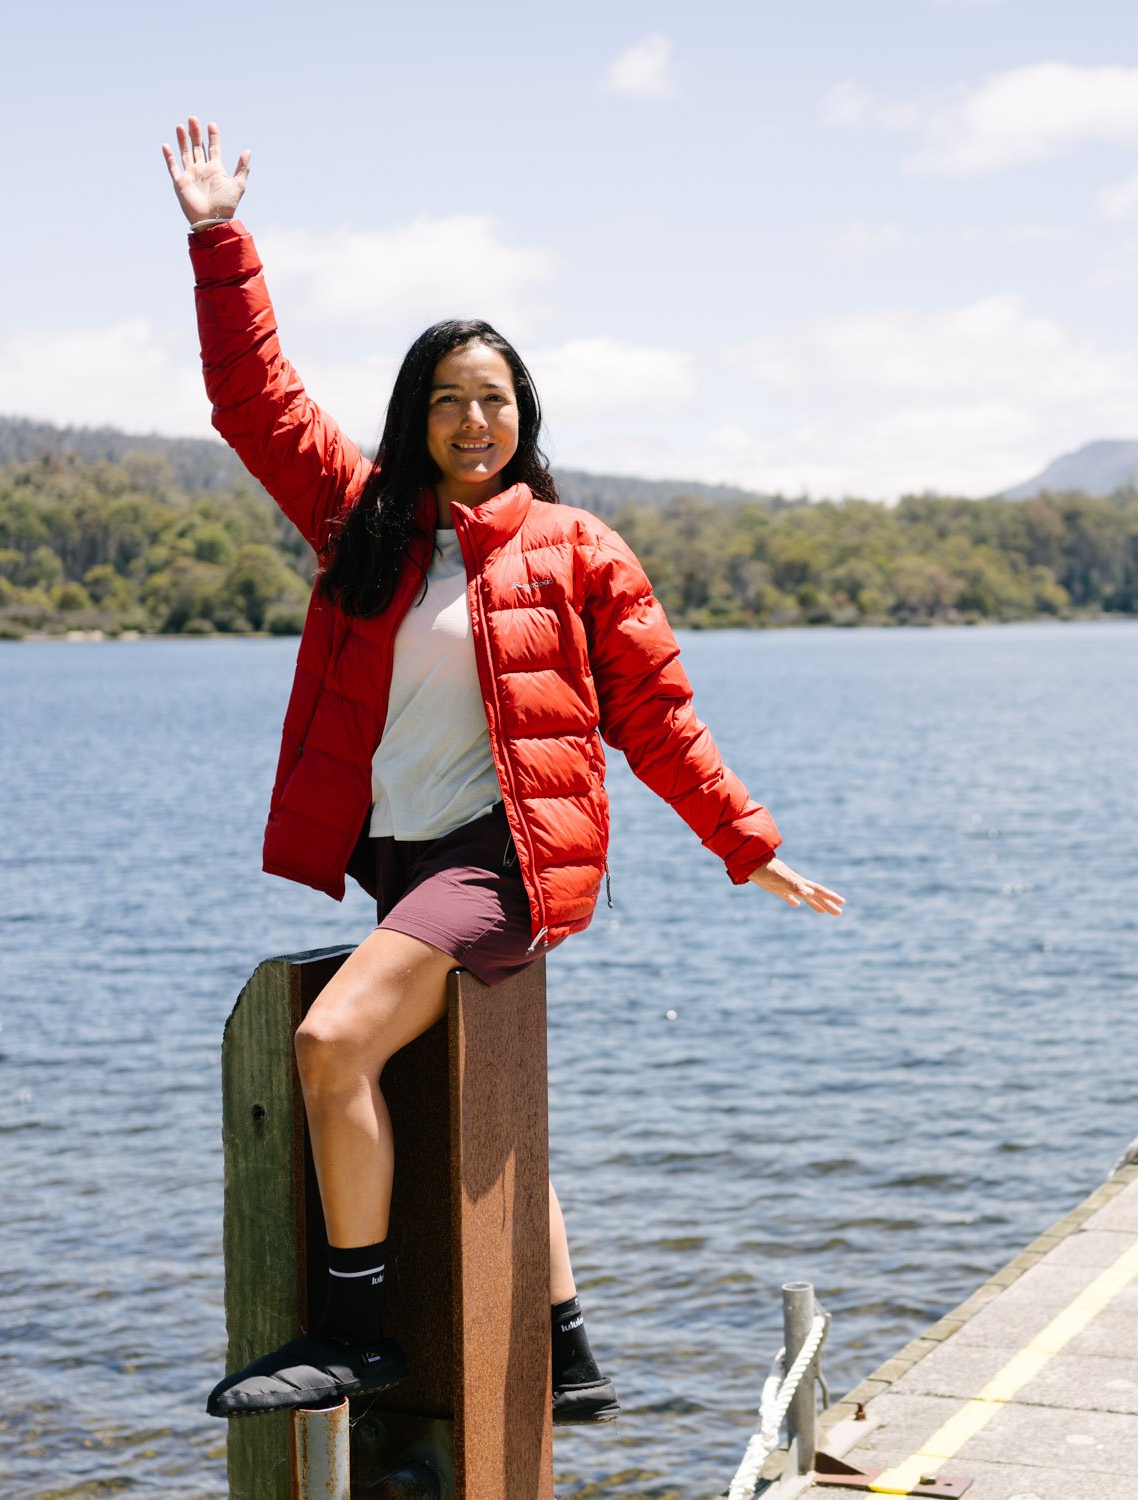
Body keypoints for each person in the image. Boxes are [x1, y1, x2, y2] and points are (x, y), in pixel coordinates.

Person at [160, 116, 845, 1424]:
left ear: (523, 415)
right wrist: (216, 239)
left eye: (495, 399)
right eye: (447, 399)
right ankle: (567, 1349)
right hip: (409, 857)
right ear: (415, 418)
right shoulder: (364, 523)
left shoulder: (578, 550)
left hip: (506, 859)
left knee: (331, 1039)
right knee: (479, 1091)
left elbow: (656, 718)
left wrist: (744, 846)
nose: (474, 420)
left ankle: (358, 1331)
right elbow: (250, 398)